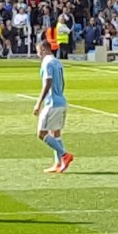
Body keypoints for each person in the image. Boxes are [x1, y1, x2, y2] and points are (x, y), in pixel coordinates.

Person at [33, 37, 73, 173]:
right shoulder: (58, 62)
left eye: (38, 52)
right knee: (55, 132)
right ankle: (58, 163)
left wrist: (39, 103)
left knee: (41, 133)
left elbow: (48, 82)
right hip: (61, 101)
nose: (38, 55)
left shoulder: (46, 62)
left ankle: (64, 155)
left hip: (52, 103)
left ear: (44, 50)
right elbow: (62, 82)